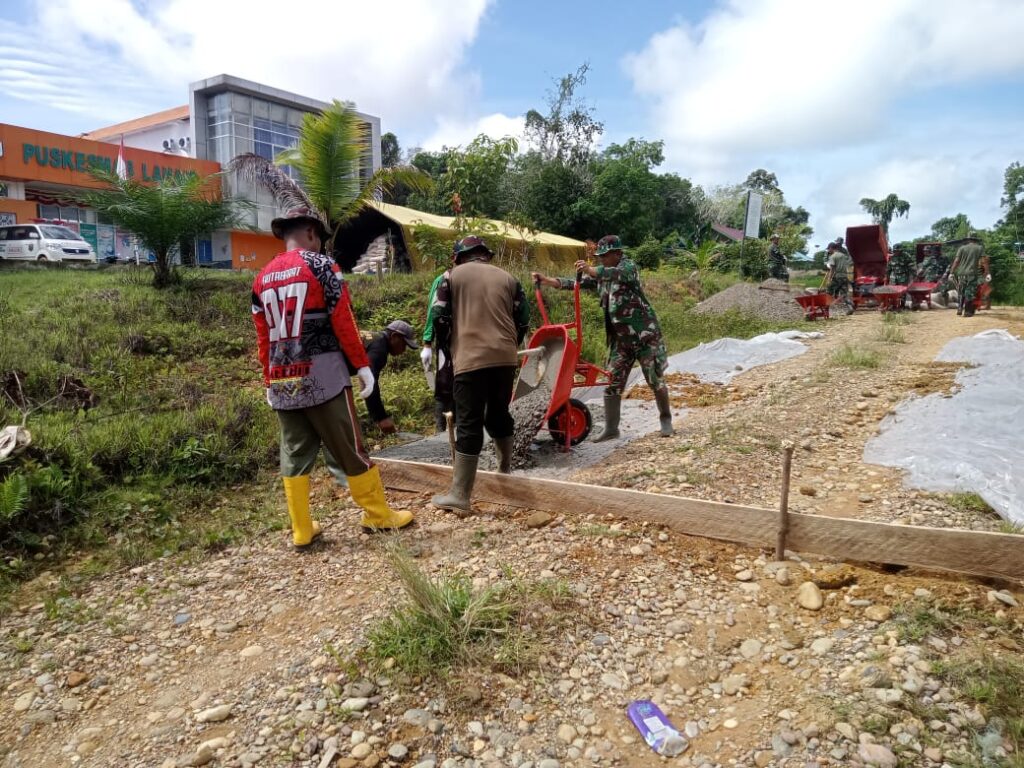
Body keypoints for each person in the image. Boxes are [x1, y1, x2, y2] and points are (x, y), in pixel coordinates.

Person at [251, 207, 413, 547]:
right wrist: (363, 365)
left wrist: (269, 380)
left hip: (282, 380)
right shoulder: (322, 266)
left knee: (294, 454)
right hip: (323, 376)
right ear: (312, 232)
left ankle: (301, 528)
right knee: (350, 446)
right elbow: (343, 320)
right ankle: (378, 515)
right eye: (321, 239)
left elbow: (263, 337)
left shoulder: (261, 278)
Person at [533, 234, 673, 442]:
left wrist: (590, 269)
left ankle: (666, 419)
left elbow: (613, 273)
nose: (601, 260)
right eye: (600, 256)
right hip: (621, 341)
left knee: (654, 379)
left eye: (605, 256)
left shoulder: (628, 268)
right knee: (612, 381)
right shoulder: (602, 275)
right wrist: (549, 281)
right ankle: (611, 428)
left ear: (617, 253)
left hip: (645, 337)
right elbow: (577, 283)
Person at [430, 235, 530, 513]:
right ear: (485, 255)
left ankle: (460, 496)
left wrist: (450, 349)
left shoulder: (450, 277)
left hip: (471, 358)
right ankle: (504, 470)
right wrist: (510, 344)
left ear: (459, 256)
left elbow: (439, 316)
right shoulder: (509, 278)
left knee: (469, 421)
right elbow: (523, 317)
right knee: (498, 413)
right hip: (505, 358)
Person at [361, 320, 420, 435]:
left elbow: (364, 380)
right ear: (394, 336)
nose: (404, 350)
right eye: (404, 344)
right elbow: (369, 382)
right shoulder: (379, 347)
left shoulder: (375, 340)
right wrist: (381, 418)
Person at [420, 272, 456, 432]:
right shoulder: (445, 279)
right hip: (447, 340)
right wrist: (427, 342)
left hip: (474, 341)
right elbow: (433, 312)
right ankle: (441, 430)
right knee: (445, 385)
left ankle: (459, 430)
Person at [950, 235, 990, 317]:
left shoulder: (961, 248)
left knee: (961, 291)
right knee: (969, 292)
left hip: (961, 274)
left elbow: (956, 261)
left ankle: (959, 308)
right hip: (972, 274)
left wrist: (951, 272)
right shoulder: (979, 248)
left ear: (968, 240)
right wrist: (987, 273)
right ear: (976, 240)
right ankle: (967, 312)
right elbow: (984, 261)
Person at [825, 241, 853, 308]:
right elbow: (849, 264)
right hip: (844, 276)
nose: (828, 250)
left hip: (837, 276)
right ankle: (850, 307)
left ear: (831, 248)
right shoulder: (843, 255)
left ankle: (826, 306)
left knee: (829, 289)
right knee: (844, 293)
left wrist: (829, 279)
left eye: (829, 249)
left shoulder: (833, 256)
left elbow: (832, 269)